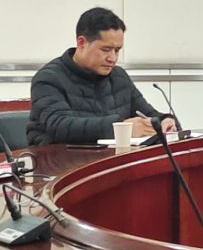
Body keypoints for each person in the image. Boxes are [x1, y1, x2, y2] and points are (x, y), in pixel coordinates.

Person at [28, 7, 175, 146]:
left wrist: (164, 121)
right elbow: (60, 127)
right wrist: (122, 128)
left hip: (113, 158)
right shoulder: (48, 78)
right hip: (63, 160)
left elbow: (147, 114)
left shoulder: (118, 76)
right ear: (81, 43)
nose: (113, 58)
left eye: (117, 50)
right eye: (106, 50)